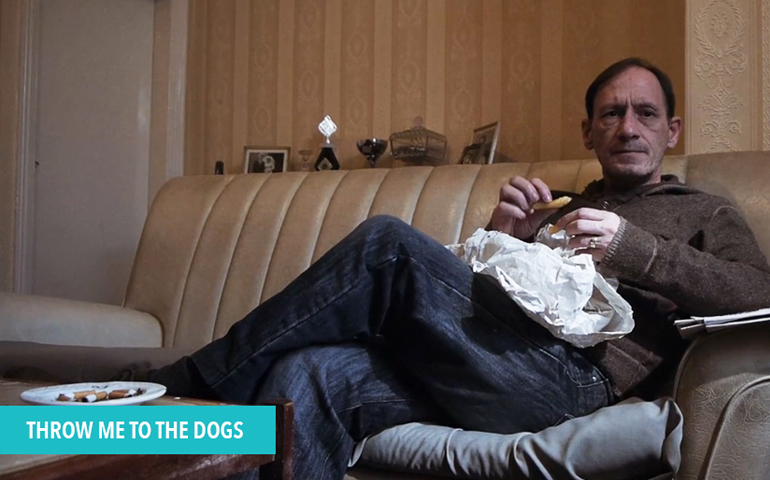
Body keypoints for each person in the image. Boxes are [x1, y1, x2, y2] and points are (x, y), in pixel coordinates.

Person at [128, 58, 770, 479]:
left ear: (672, 131)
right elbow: (482, 305)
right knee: (310, 372)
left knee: (387, 244)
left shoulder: (704, 210)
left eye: (646, 114)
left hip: (572, 384)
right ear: (588, 132)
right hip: (485, 369)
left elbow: (758, 291)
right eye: (612, 113)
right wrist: (503, 238)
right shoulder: (563, 206)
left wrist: (634, 247)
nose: (628, 127)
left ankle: (181, 393)